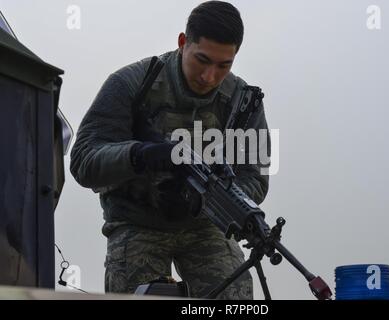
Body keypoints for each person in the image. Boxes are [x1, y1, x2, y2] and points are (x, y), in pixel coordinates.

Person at [70, 1, 269, 299]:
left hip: (206, 227)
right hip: (137, 221)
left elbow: (254, 179)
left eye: (223, 65)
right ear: (181, 43)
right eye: (202, 60)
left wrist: (203, 201)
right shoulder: (131, 84)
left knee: (235, 297)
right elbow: (83, 160)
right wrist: (140, 155)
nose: (209, 76)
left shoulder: (244, 102)